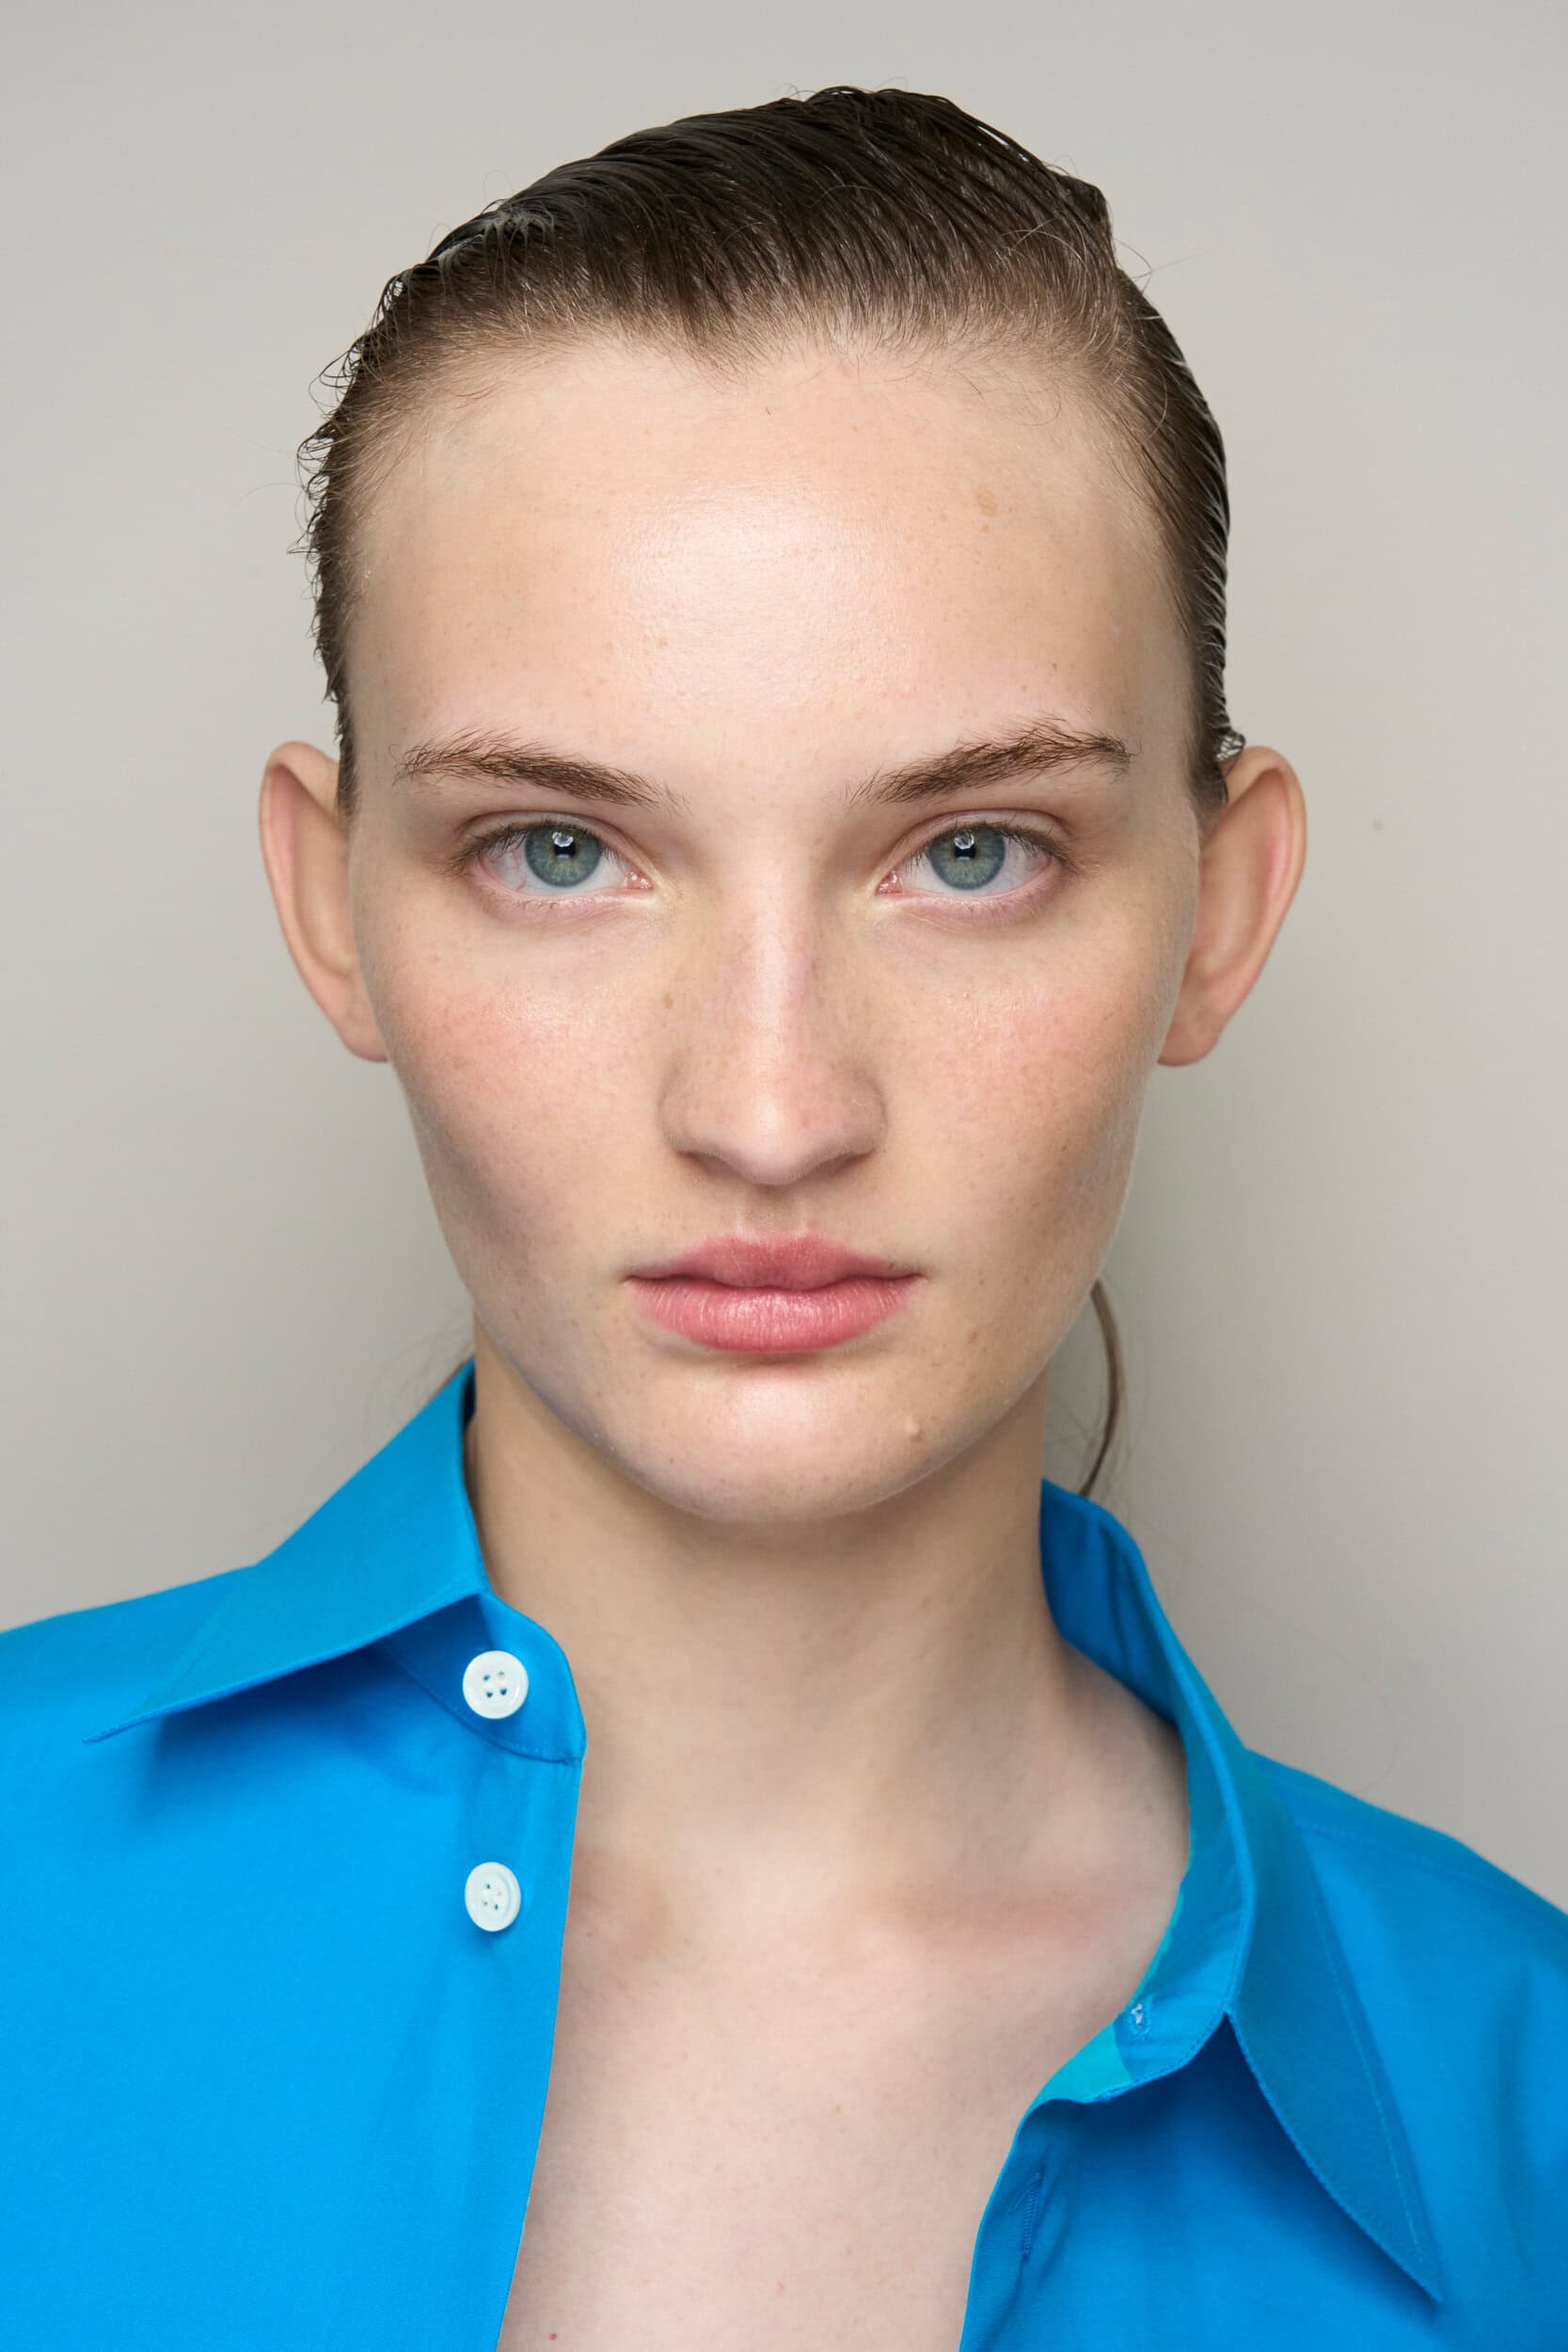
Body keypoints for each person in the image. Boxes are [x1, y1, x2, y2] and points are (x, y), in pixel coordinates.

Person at [2, 83, 1563, 2351]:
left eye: (970, 853)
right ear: (331, 911)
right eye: (558, 851)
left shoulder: (1520, 2124)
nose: (768, 1107)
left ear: (1217, 913)